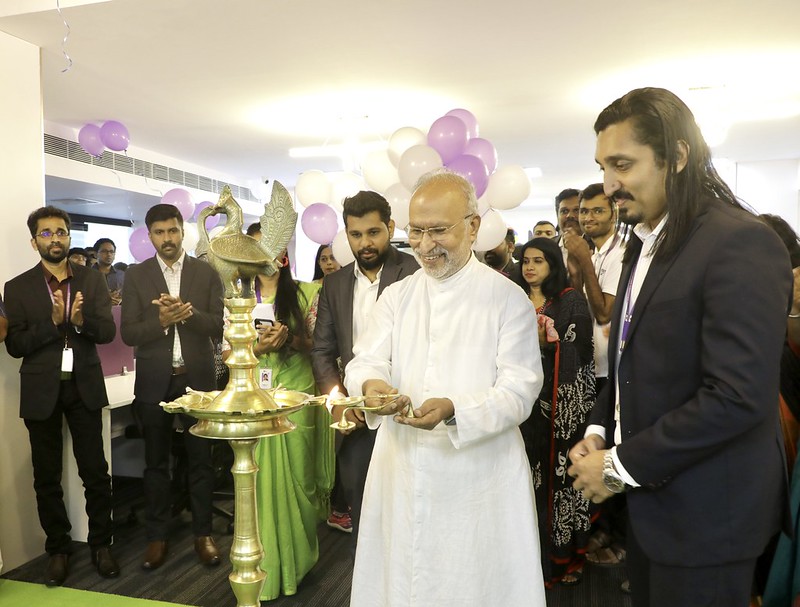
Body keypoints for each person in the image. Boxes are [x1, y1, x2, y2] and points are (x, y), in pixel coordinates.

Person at [567, 87, 792, 607]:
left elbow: (737, 396)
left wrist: (618, 466)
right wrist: (601, 431)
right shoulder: (645, 241)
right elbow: (628, 358)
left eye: (623, 165)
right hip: (653, 505)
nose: (608, 185)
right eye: (603, 167)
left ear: (679, 156)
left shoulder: (739, 241)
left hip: (708, 515)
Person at [344, 170, 546, 606]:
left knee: (472, 580)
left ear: (473, 226)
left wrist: (455, 408)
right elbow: (365, 361)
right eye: (416, 231)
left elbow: (520, 390)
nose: (423, 244)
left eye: (438, 230)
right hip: (400, 464)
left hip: (477, 475)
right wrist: (373, 386)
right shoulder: (397, 296)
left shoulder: (507, 299)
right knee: (401, 579)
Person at [4, 206, 119, 586]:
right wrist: (52, 326)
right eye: (46, 233)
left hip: (84, 385)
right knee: (46, 477)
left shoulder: (91, 279)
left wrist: (82, 323)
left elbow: (105, 333)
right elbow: (16, 345)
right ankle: (58, 548)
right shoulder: (17, 287)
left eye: (61, 232)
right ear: (34, 240)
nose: (55, 238)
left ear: (69, 237)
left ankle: (102, 544)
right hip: (41, 391)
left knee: (96, 473)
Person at [311, 190, 419, 549]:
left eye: (373, 232)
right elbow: (323, 351)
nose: (365, 243)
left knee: (406, 510)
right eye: (356, 235)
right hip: (354, 416)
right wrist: (339, 402)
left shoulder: (414, 273)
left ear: (389, 227)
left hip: (406, 410)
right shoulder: (335, 283)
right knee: (362, 512)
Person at [231, 223, 334, 601]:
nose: (266, 254)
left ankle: (300, 563)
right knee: (256, 484)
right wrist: (257, 350)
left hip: (297, 396)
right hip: (254, 398)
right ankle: (266, 570)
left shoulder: (309, 293)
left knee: (299, 482)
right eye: (257, 247)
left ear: (284, 252)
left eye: (272, 246)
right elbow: (226, 356)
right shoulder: (237, 298)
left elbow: (321, 347)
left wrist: (287, 339)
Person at [120, 203, 224, 571]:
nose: (167, 238)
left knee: (201, 463)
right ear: (150, 236)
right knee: (155, 464)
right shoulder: (136, 276)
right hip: (154, 381)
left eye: (173, 231)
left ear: (183, 232)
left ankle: (203, 535)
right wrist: (162, 321)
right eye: (160, 232)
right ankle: (157, 536)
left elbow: (217, 327)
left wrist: (189, 314)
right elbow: (129, 332)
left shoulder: (206, 273)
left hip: (197, 381)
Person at [516, 236, 595, 586]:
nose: (529, 267)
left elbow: (579, 348)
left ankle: (561, 557)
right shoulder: (512, 299)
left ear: (553, 265)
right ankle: (524, 557)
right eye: (525, 261)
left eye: (538, 261)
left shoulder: (569, 301)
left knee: (557, 480)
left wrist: (547, 343)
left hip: (558, 408)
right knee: (525, 478)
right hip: (521, 407)